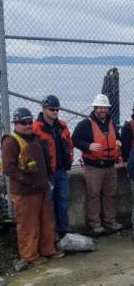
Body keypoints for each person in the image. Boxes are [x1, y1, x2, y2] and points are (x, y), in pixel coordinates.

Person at [2, 108, 64, 267]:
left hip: (41, 187)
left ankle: (47, 249)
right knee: (28, 224)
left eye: (30, 122)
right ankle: (30, 255)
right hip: (25, 191)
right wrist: (27, 180)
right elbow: (8, 168)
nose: (28, 125)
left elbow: (45, 161)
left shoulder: (35, 139)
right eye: (24, 123)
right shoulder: (11, 141)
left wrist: (47, 178)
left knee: (46, 221)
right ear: (16, 124)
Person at [72, 94, 123, 234]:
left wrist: (119, 142)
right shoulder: (85, 124)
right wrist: (88, 146)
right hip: (93, 167)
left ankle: (110, 220)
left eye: (105, 108)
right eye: (100, 107)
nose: (103, 110)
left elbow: (117, 137)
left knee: (110, 194)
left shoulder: (111, 123)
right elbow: (75, 139)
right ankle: (95, 223)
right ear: (95, 108)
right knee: (93, 196)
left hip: (110, 166)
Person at [33, 95, 74, 239]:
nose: (55, 112)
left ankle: (63, 230)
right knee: (49, 204)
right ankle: (51, 234)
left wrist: (69, 160)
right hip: (47, 174)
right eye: (52, 109)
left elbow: (69, 144)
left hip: (61, 170)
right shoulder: (37, 128)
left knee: (63, 201)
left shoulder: (62, 125)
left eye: (57, 109)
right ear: (43, 109)